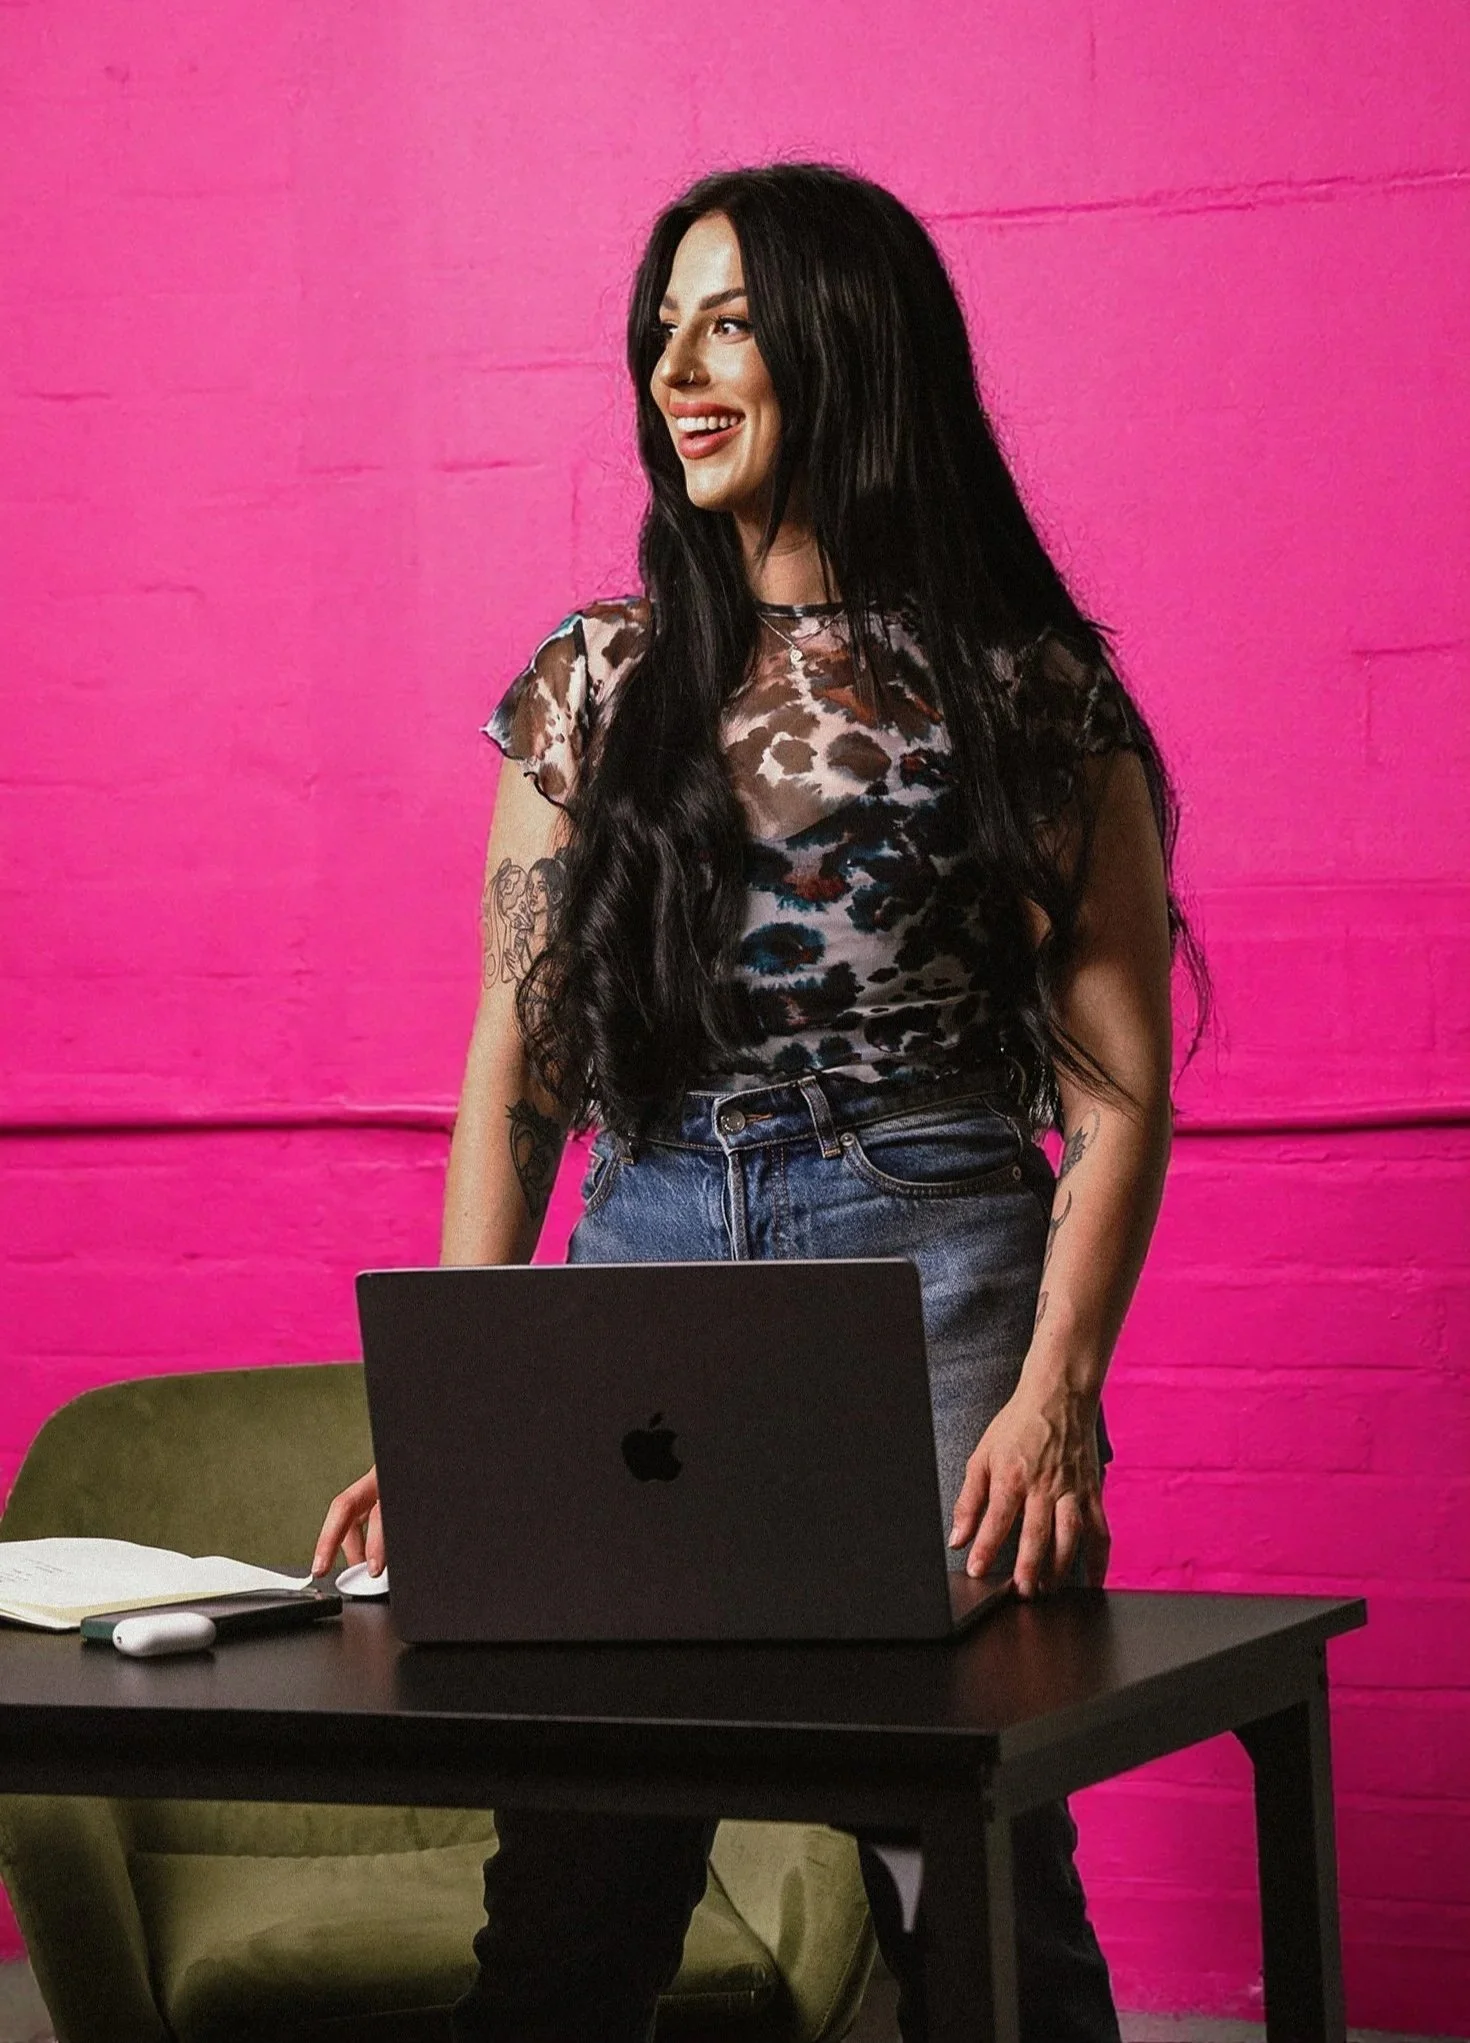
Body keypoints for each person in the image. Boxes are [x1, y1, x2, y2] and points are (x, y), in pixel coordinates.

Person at [313, 161, 1207, 2043]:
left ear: (843, 347)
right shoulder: (597, 678)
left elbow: (1118, 1090)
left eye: (727, 321)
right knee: (571, 1887)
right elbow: (517, 1067)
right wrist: (451, 1405)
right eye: (662, 327)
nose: (675, 367)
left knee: (970, 1889)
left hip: (934, 1261)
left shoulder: (1028, 690)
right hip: (635, 1252)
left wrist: (1059, 1397)